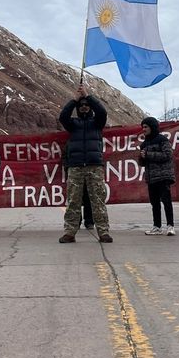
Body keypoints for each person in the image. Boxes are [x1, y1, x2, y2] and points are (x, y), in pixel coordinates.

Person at [59, 85, 112, 243]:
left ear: (90, 107)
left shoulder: (97, 123)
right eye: (80, 105)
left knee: (97, 200)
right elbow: (63, 116)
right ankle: (70, 232)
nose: (83, 107)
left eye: (86, 105)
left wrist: (88, 96)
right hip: (75, 167)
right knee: (73, 200)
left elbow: (102, 112)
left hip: (94, 166)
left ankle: (103, 232)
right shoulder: (72, 124)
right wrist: (74, 100)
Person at [138, 117, 175, 236]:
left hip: (163, 176)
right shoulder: (144, 144)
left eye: (146, 127)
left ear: (152, 127)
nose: (143, 129)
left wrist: (148, 154)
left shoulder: (162, 140)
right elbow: (143, 163)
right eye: (142, 127)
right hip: (151, 177)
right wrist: (141, 157)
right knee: (154, 203)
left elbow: (167, 155)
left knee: (166, 201)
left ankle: (170, 226)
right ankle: (157, 226)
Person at [62, 141, 94, 230]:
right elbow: (65, 157)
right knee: (75, 199)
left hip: (88, 173)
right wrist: (68, 168)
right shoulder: (70, 143)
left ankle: (89, 221)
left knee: (88, 198)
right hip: (74, 172)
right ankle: (77, 221)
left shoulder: (89, 142)